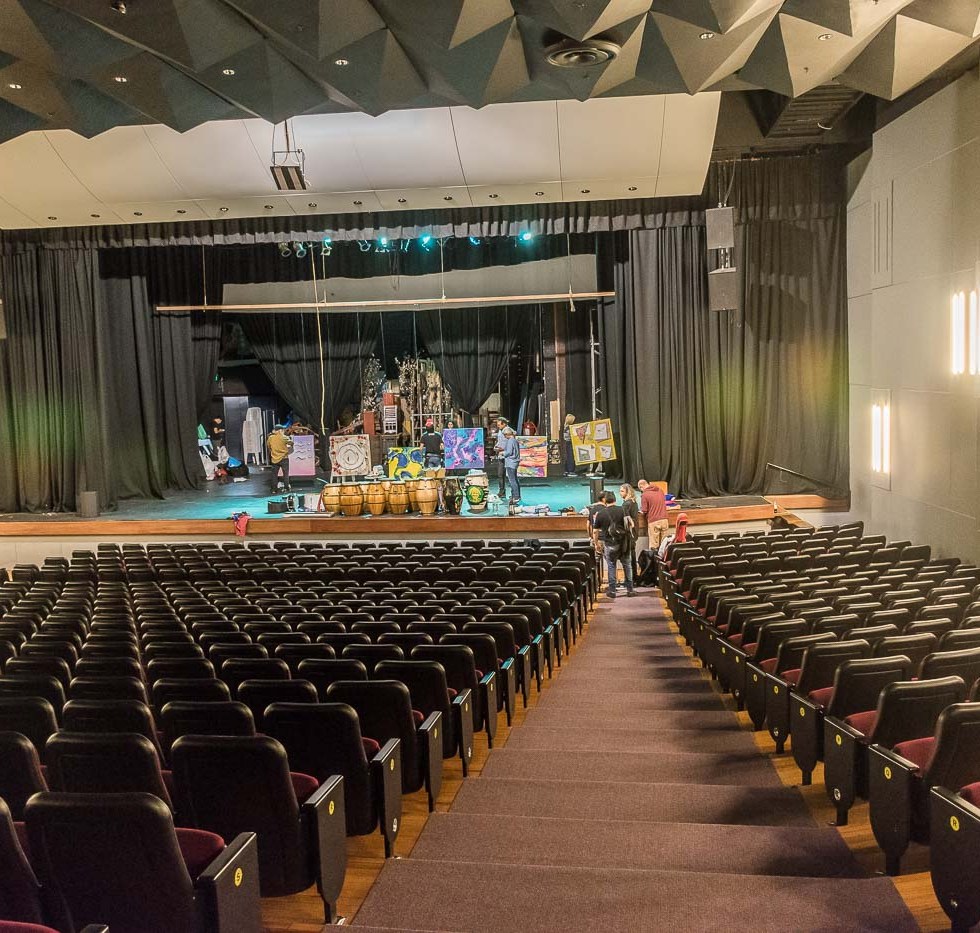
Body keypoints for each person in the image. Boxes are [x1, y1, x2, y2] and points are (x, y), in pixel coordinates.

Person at [592, 490, 634, 598]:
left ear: (605, 500)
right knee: (627, 566)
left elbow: (595, 531)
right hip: (624, 543)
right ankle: (630, 590)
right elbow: (631, 525)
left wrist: (596, 543)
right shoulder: (623, 510)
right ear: (615, 499)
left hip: (610, 544)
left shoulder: (601, 513)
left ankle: (612, 591)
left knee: (611, 566)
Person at [638, 479, 669, 551]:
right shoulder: (660, 490)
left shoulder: (645, 495)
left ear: (641, 487)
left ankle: (654, 562)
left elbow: (644, 510)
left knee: (653, 546)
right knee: (665, 544)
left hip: (654, 521)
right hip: (665, 520)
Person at [620, 483, 640, 582]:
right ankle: (634, 577)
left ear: (628, 492)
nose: (620, 493)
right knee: (632, 554)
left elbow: (626, 520)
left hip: (629, 533)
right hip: (635, 531)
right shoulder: (634, 502)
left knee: (628, 557)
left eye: (622, 491)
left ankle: (629, 579)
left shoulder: (626, 504)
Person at [267, 424, 294, 493]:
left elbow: (268, 446)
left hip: (274, 459)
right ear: (280, 430)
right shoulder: (284, 437)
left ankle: (274, 489)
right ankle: (286, 488)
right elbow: (291, 442)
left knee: (274, 475)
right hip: (284, 458)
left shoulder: (270, 438)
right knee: (285, 474)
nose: (283, 431)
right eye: (282, 430)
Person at [501, 426, 521, 505]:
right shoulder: (515, 441)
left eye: (504, 435)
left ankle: (515, 496)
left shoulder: (510, 441)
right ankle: (516, 495)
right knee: (515, 480)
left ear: (507, 434)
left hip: (510, 462)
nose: (504, 437)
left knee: (512, 480)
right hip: (515, 462)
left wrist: (502, 453)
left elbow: (509, 452)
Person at [492, 417, 510, 498]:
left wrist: (500, 448)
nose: (498, 426)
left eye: (499, 425)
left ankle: (514, 493)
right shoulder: (500, 431)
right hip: (501, 455)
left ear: (504, 424)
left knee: (510, 475)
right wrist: (496, 446)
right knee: (500, 474)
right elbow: (500, 441)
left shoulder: (508, 431)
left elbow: (510, 443)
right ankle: (502, 491)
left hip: (507, 455)